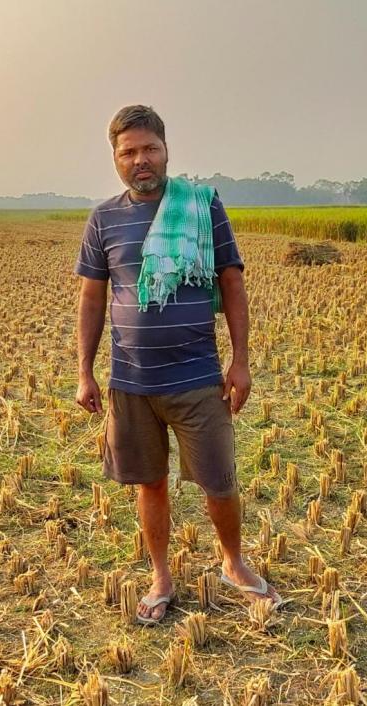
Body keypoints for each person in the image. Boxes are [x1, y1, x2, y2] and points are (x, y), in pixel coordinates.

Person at [73, 104, 283, 625]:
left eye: (149, 149)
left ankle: (234, 564)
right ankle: (161, 576)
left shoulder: (202, 207)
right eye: (129, 152)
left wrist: (240, 362)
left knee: (219, 481)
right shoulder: (104, 218)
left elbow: (232, 283)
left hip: (197, 378)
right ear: (115, 159)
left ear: (167, 150)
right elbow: (93, 298)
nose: (140, 160)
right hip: (131, 382)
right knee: (150, 483)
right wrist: (84, 370)